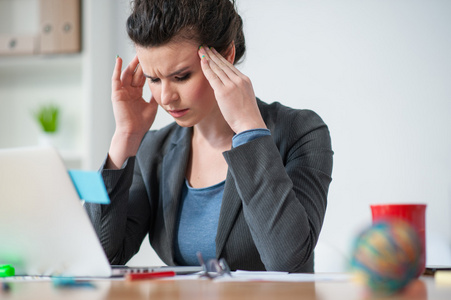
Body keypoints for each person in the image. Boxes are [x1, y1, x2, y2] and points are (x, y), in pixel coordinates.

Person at [85, 0, 333, 273]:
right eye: (153, 79)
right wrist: (125, 136)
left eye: (181, 76)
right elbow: (96, 257)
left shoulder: (301, 132)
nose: (166, 97)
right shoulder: (153, 149)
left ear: (225, 57)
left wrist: (248, 129)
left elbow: (288, 264)